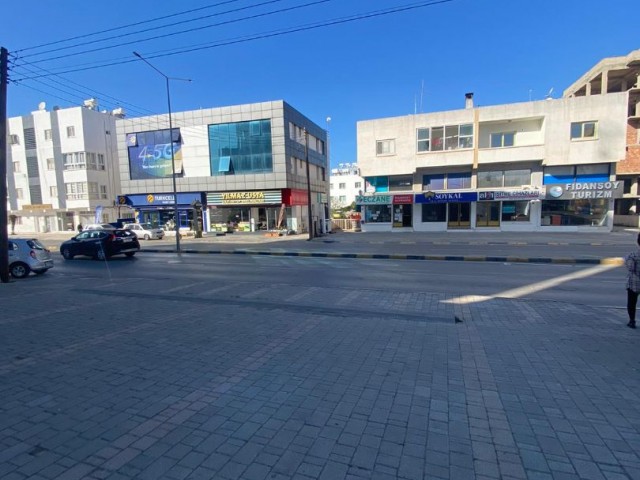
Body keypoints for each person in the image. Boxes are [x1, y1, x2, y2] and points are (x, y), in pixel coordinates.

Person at [625, 233, 640, 329]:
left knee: (632, 303)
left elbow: (631, 268)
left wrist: (626, 260)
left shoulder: (633, 255)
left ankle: (632, 321)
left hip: (634, 283)